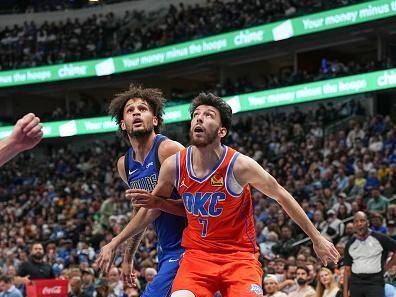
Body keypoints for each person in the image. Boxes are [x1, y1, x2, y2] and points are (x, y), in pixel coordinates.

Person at [104, 93, 340, 297]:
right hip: (197, 258)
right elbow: (152, 208)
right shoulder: (174, 165)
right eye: (196, 114)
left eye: (208, 115)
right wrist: (119, 245)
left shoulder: (239, 166)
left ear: (222, 130)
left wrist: (316, 237)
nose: (199, 117)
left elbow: (282, 195)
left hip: (238, 258)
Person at [96, 84, 186, 297]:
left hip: (191, 245)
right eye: (130, 110)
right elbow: (141, 211)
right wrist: (128, 258)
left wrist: (114, 242)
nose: (136, 112)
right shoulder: (124, 164)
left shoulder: (169, 150)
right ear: (123, 124)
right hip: (166, 248)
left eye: (143, 108)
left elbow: (197, 202)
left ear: (154, 120)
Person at [343, 211, 396, 297]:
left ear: (367, 223)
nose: (359, 223)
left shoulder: (380, 238)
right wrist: (345, 293)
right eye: (356, 221)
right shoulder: (350, 244)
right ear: (354, 225)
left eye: (362, 220)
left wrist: (387, 266)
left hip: (375, 282)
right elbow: (347, 270)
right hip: (355, 283)